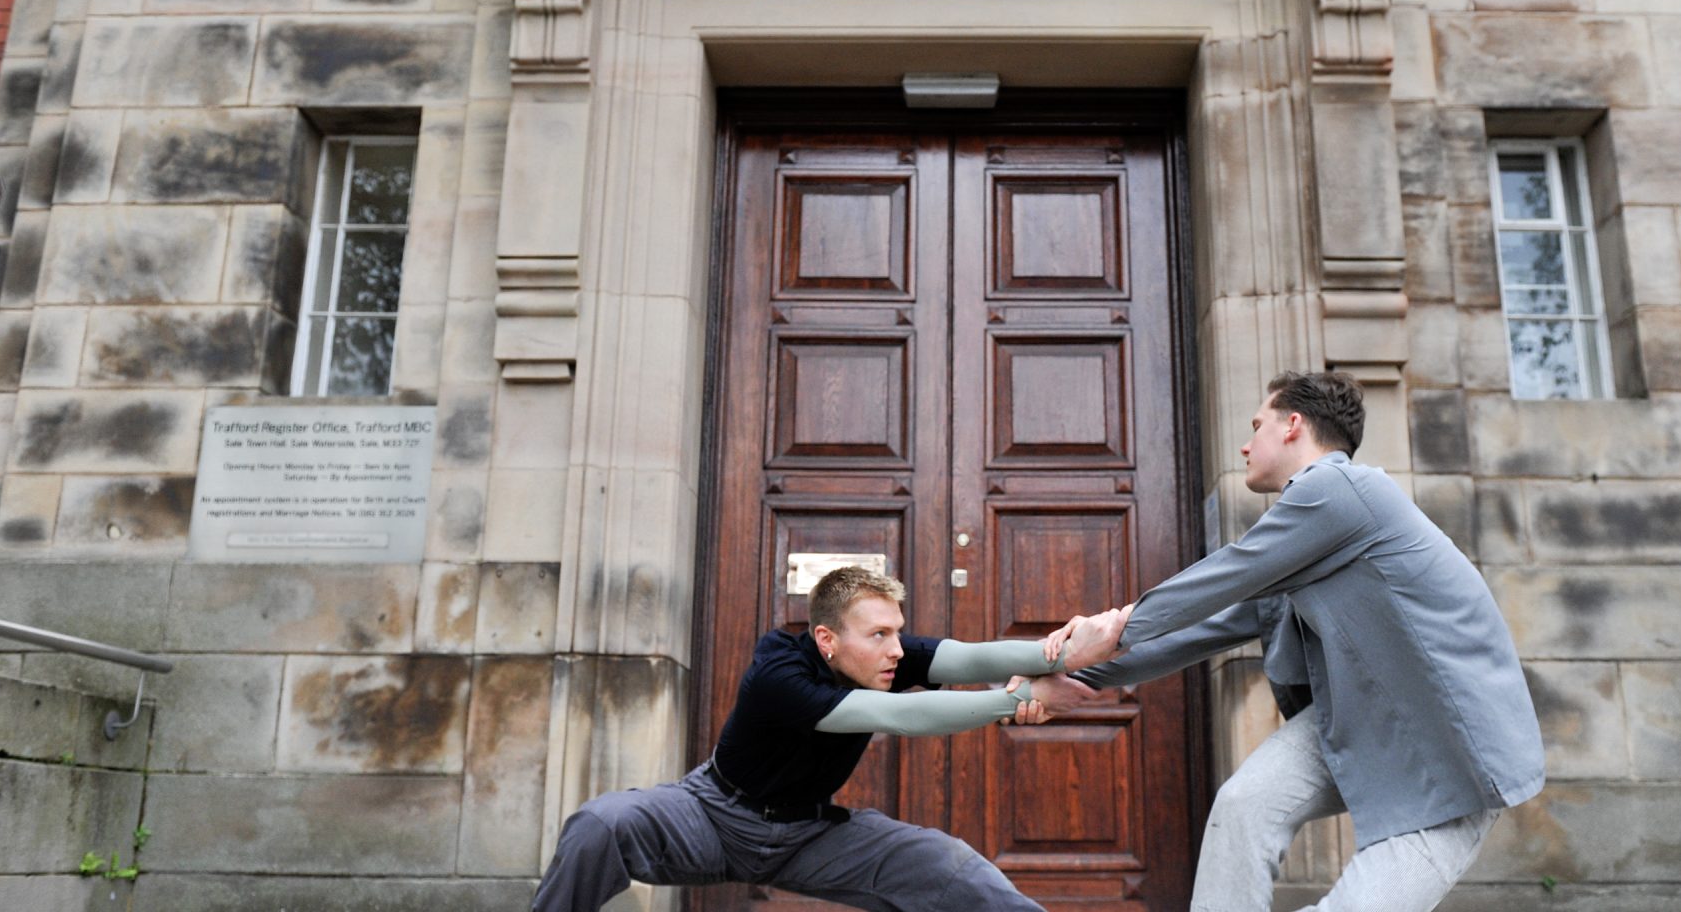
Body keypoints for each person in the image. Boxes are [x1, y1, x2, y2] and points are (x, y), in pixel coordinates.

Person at [1055, 370, 1543, 912]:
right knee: (1244, 806)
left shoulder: (1341, 490)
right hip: (1359, 717)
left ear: (1292, 425)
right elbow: (1206, 627)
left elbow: (1223, 577)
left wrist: (1112, 630)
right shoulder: (1304, 539)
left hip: (1452, 750)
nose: (1245, 445)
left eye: (1256, 425)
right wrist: (1071, 678)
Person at [531, 564, 1125, 912]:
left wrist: (1065, 651)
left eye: (897, 631)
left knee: (952, 869)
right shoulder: (778, 673)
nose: (897, 648)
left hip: (808, 834)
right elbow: (902, 717)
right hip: (711, 817)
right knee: (601, 824)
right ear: (827, 640)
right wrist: (1020, 701)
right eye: (879, 634)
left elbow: (970, 658)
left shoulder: (884, 656)